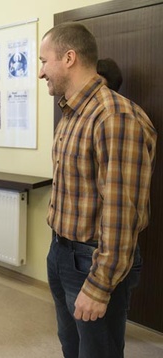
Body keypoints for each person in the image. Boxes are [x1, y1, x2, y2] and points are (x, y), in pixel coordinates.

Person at [38, 22, 157, 358]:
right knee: (72, 346)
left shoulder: (114, 117)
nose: (40, 72)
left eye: (45, 61)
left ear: (69, 58)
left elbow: (120, 213)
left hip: (92, 261)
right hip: (61, 251)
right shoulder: (72, 112)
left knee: (98, 351)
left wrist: (100, 285)